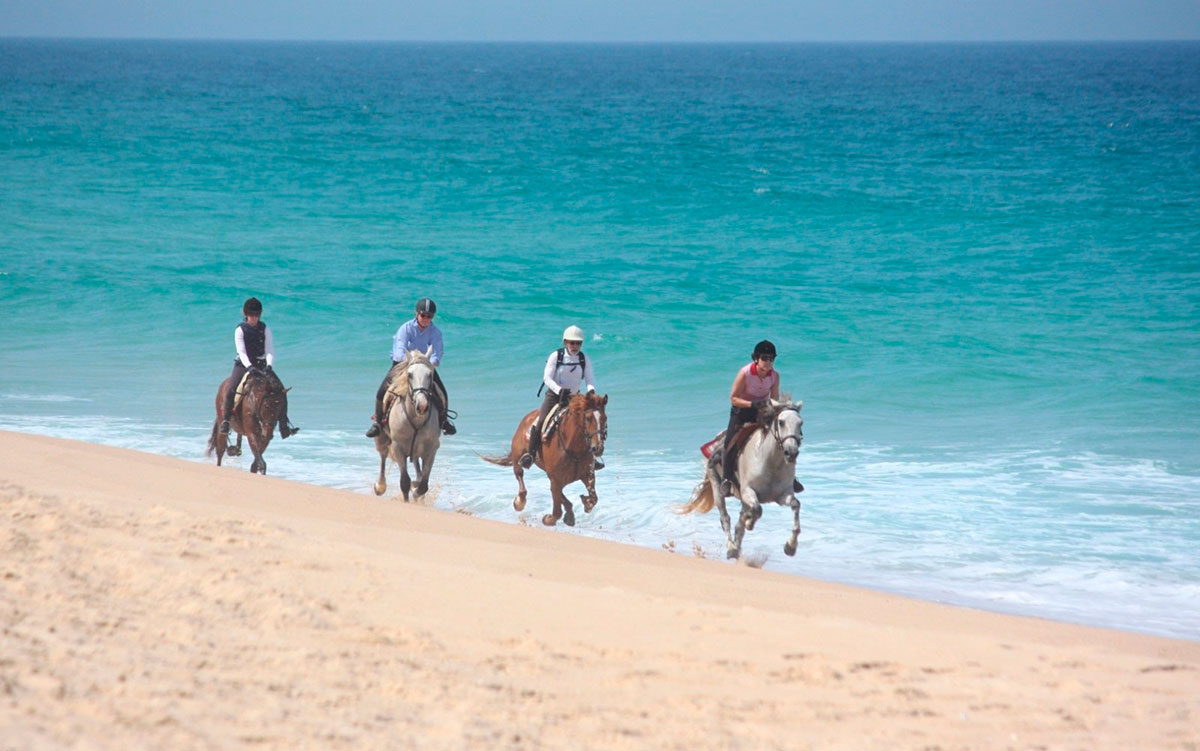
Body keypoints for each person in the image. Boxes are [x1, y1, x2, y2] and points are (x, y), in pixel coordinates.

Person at [718, 339, 801, 497]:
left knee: (784, 438)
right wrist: (752, 404)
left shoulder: (774, 376)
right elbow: (733, 398)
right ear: (756, 358)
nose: (768, 362)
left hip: (762, 411)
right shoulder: (745, 373)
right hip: (741, 411)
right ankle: (727, 480)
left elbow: (774, 398)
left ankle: (792, 477)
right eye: (764, 358)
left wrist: (777, 410)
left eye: (771, 358)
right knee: (729, 443)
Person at [365, 297, 456, 438]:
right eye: (423, 315)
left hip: (425, 366)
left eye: (429, 316)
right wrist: (412, 361)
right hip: (403, 365)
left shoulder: (436, 332)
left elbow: (437, 353)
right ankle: (378, 422)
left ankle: (444, 421)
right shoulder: (405, 328)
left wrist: (431, 363)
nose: (426, 319)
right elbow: (399, 352)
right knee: (381, 391)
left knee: (442, 392)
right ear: (416, 314)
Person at [519, 325, 600, 469]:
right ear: (565, 342)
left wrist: (591, 390)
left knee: (586, 424)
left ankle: (592, 458)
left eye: (578, 343)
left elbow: (590, 378)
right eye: (572, 342)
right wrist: (559, 389)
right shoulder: (556, 356)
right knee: (541, 421)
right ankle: (530, 455)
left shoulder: (584, 359)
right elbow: (547, 378)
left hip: (574, 398)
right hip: (554, 396)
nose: (575, 346)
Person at [218, 297, 299, 438]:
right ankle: (225, 420)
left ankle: (284, 425)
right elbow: (241, 352)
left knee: (281, 390)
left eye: (256, 315)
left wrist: (269, 366)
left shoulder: (265, 328)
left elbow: (270, 350)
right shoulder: (240, 330)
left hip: (262, 365)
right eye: (251, 315)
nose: (254, 318)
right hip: (243, 364)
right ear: (246, 314)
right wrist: (249, 367)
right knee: (231, 389)